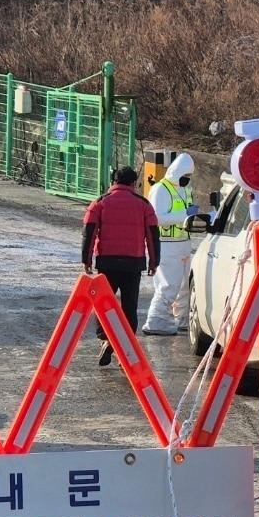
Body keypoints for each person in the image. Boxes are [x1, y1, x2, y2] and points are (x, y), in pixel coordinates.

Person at [82, 166, 160, 367]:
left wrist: (87, 259)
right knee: (129, 306)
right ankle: (124, 348)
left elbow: (89, 231)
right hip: (133, 263)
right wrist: (154, 261)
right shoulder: (143, 205)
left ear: (113, 182)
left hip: (107, 262)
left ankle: (107, 338)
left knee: (102, 304)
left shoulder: (100, 202)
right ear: (134, 183)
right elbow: (153, 235)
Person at [142, 152, 200, 336]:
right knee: (168, 286)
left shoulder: (185, 189)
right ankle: (155, 321)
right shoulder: (160, 189)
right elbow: (156, 218)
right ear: (178, 172)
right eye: (185, 176)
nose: (187, 179)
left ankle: (181, 319)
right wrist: (186, 215)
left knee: (184, 287)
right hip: (166, 244)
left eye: (189, 177)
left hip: (183, 242)